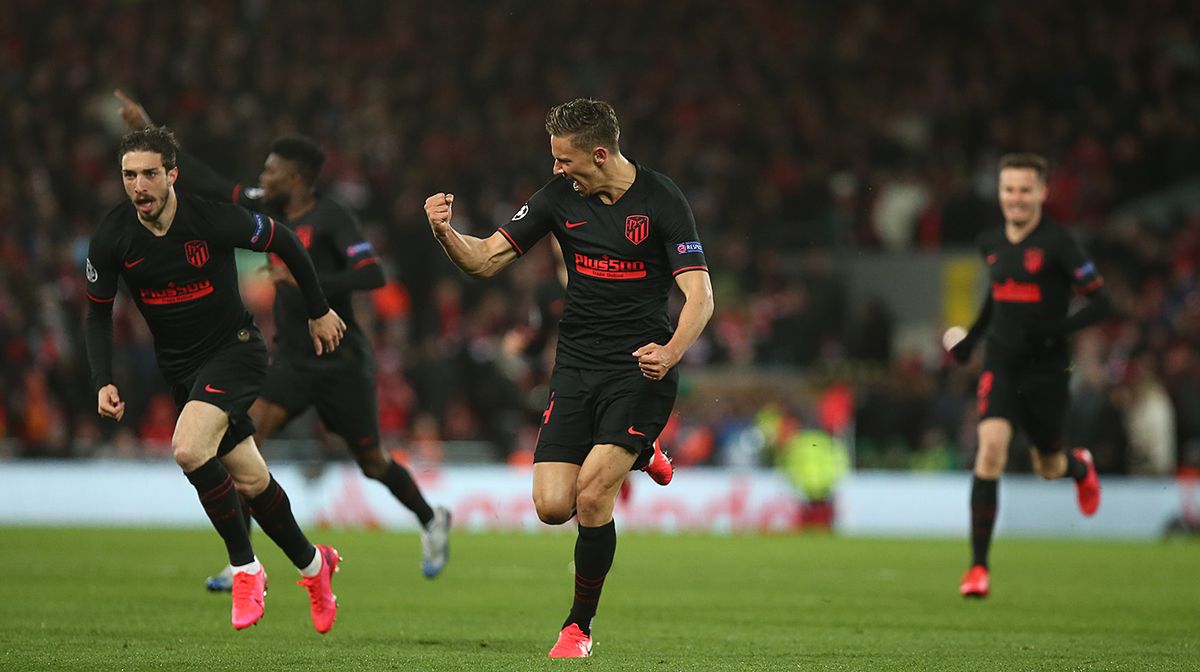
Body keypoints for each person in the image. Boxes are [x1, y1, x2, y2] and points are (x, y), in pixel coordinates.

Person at [113, 90, 452, 587]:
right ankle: (242, 560)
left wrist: (312, 281)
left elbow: (373, 274)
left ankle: (430, 519)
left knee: (373, 460)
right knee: (245, 443)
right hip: (291, 359)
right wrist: (150, 126)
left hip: (341, 360)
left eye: (271, 170)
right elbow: (207, 180)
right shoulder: (259, 205)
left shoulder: (332, 217)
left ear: (294, 178)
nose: (262, 178)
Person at [424, 98, 714, 658]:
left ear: (600, 154)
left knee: (591, 495)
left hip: (640, 367)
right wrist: (444, 233)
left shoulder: (661, 199)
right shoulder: (557, 199)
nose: (556, 170)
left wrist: (672, 351)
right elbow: (485, 260)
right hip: (576, 366)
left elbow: (700, 295)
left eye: (565, 160)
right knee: (553, 507)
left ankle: (578, 627)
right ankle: (641, 447)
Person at [86, 126, 346, 633]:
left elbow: (285, 240)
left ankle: (246, 570)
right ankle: (316, 566)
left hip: (237, 352)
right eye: (129, 175)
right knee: (251, 479)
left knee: (187, 449)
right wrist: (101, 379)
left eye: (149, 174)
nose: (139, 186)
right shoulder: (113, 237)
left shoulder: (208, 219)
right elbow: (97, 314)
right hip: (183, 371)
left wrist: (318, 310)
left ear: (172, 175)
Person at [944, 153, 1114, 598]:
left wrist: (1056, 330)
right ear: (999, 193)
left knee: (1048, 466)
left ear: (1042, 192)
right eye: (1008, 189)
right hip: (1002, 362)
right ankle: (978, 568)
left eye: (1024, 189)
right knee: (991, 452)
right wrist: (971, 343)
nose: (1015, 198)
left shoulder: (1060, 244)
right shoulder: (991, 242)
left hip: (1047, 371)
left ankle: (1079, 467)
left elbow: (1102, 303)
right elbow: (995, 299)